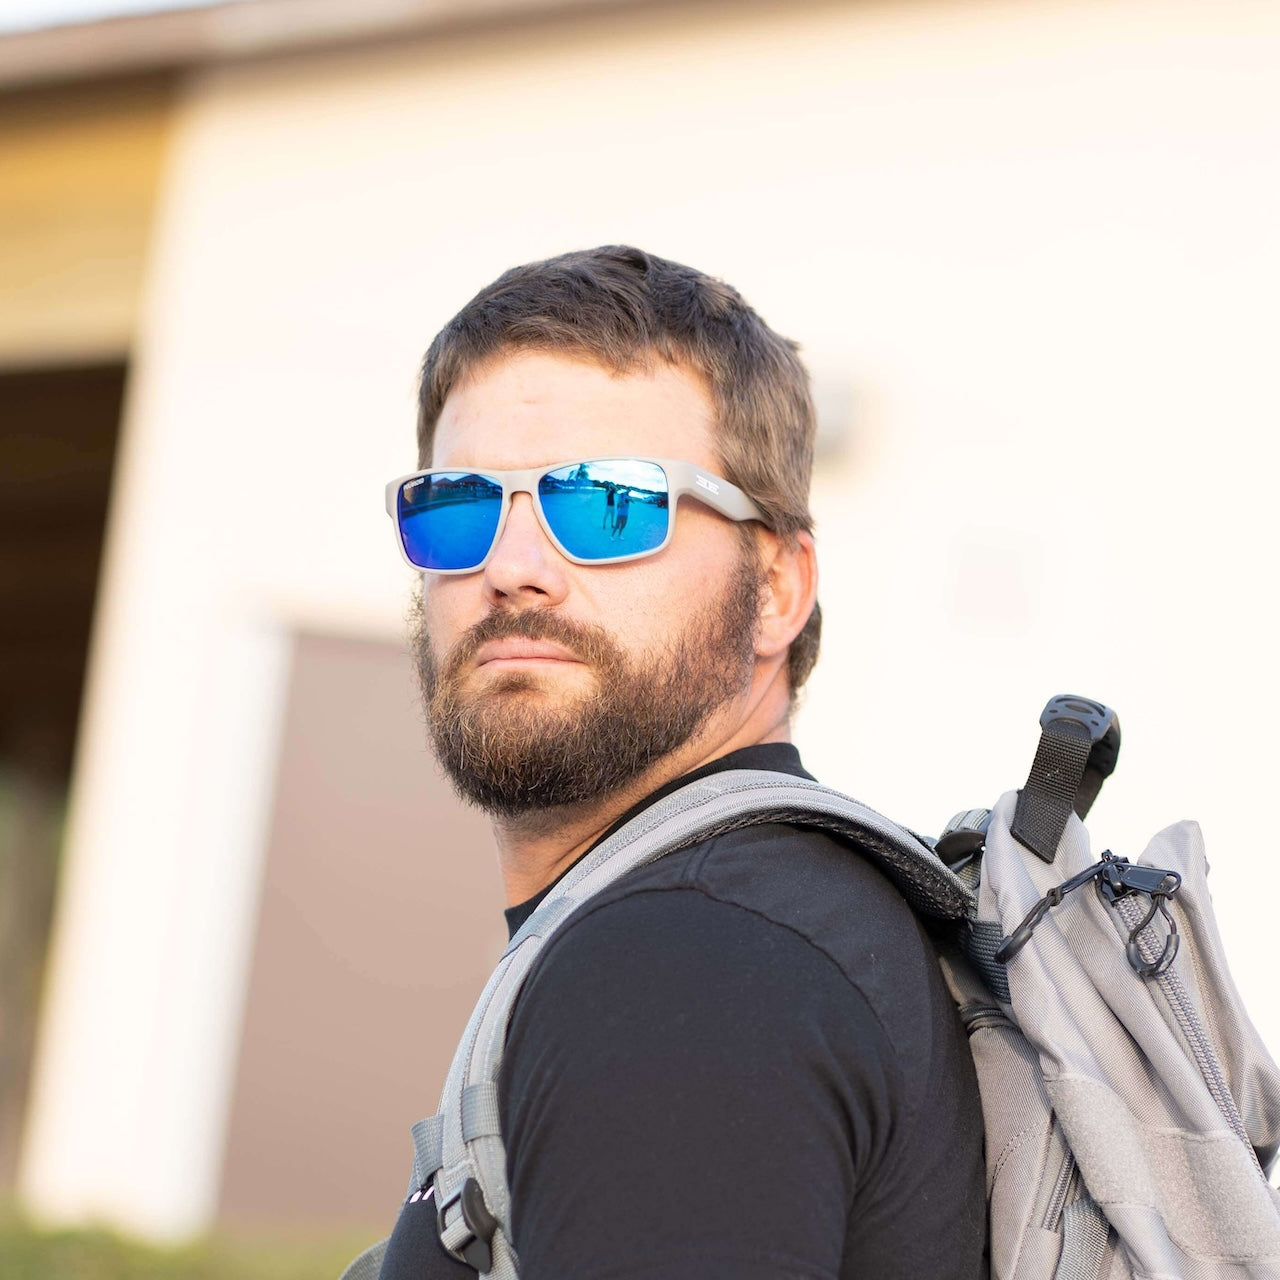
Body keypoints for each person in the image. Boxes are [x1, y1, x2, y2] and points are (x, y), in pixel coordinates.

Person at [380, 246, 985, 1279]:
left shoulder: (687, 965)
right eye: (459, 505)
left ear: (776, 588)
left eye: (606, 503)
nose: (511, 569)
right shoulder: (778, 923)